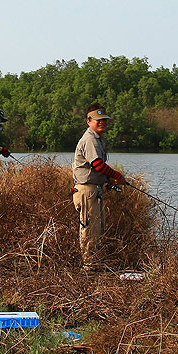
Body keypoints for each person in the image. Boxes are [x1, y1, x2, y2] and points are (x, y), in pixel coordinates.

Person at [72, 103, 125, 270]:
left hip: (94, 189)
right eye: (98, 120)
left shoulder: (98, 139)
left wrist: (108, 180)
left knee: (97, 228)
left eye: (104, 120)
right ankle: (89, 266)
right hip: (87, 190)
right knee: (89, 229)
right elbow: (98, 165)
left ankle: (95, 262)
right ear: (89, 121)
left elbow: (99, 168)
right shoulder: (89, 139)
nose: (102, 122)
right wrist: (117, 176)